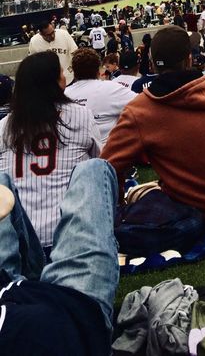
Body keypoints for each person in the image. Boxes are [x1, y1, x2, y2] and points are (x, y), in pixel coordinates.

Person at [101, 25, 205, 219]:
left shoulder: (139, 109)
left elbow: (106, 167)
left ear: (152, 64)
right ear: (189, 58)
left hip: (196, 208)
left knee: (138, 196)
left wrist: (119, 204)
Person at [0, 158, 119, 355]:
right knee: (94, 169)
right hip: (74, 312)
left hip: (11, 289)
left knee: (2, 180)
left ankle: (37, 273)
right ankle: (40, 273)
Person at [0, 52, 101, 249]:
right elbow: (101, 163)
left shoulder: (3, 127)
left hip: (19, 240)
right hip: (72, 234)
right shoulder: (80, 115)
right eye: (61, 73)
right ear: (54, 82)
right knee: (101, 168)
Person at [65, 48, 136, 146]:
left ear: (74, 71)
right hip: (106, 154)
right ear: (98, 70)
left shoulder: (64, 94)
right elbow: (143, 104)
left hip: (74, 154)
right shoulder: (110, 88)